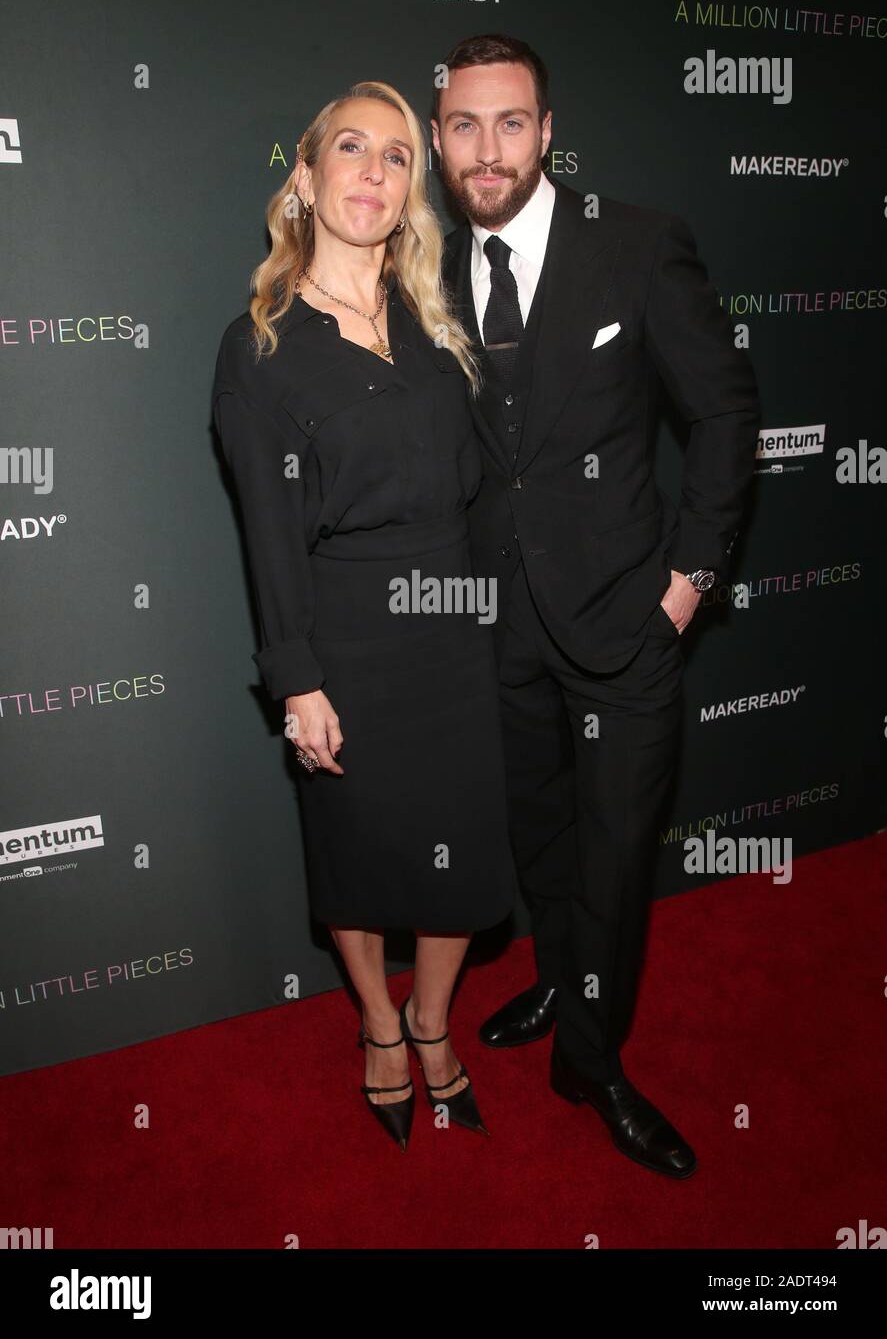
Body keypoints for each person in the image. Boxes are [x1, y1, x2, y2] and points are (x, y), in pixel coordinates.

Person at [432, 34, 761, 1179]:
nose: (488, 149)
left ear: (545, 130)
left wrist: (684, 588)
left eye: (509, 122)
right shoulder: (423, 268)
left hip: (626, 621)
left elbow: (723, 414)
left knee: (617, 859)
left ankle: (595, 1059)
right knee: (542, 841)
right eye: (464, 125)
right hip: (499, 625)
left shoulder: (632, 245)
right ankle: (553, 980)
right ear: (438, 140)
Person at [211, 81, 516, 1151]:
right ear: (304, 178)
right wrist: (296, 679)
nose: (374, 172)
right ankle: (382, 1029)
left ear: (408, 191)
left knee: (459, 855)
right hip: (344, 639)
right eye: (351, 148)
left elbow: (484, 490)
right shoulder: (260, 348)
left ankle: (435, 1019)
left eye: (396, 156)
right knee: (357, 856)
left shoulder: (437, 323)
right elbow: (267, 535)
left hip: (454, 631)